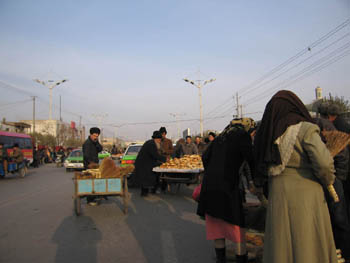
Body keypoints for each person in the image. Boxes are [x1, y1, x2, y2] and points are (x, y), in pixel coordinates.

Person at [253, 90, 338, 263]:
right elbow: (324, 164)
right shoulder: (306, 128)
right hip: (307, 198)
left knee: (281, 246)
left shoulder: (268, 135)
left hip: (278, 197)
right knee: (307, 245)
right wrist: (329, 181)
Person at [197, 118, 256, 263]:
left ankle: (220, 259)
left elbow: (205, 157)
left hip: (210, 187)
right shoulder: (242, 135)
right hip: (227, 187)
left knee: (217, 225)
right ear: (248, 128)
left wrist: (214, 172)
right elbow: (252, 159)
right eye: (253, 133)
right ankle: (241, 258)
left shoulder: (220, 138)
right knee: (236, 225)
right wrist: (256, 182)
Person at [134, 131, 167, 196]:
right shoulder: (151, 144)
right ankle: (145, 192)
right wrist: (165, 159)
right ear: (157, 139)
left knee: (145, 179)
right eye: (160, 140)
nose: (160, 142)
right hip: (143, 164)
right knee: (145, 179)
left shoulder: (150, 142)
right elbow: (155, 155)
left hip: (145, 163)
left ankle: (146, 192)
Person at [83, 127, 103, 205]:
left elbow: (100, 149)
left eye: (97, 136)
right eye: (94, 136)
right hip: (89, 166)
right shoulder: (87, 143)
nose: (95, 137)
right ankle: (90, 199)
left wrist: (97, 143)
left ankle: (95, 195)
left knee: (96, 181)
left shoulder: (95, 143)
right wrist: (91, 165)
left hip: (95, 166)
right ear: (91, 135)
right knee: (90, 183)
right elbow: (86, 156)